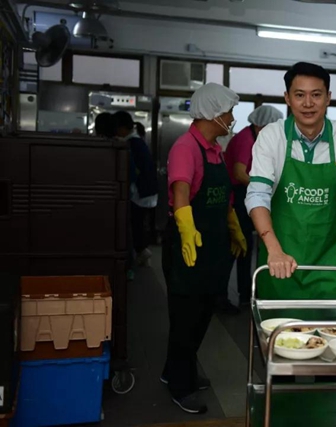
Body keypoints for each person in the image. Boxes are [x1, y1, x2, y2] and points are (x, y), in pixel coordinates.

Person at [246, 60, 336, 330]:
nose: (308, 103)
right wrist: (274, 250)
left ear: (328, 98)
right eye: (299, 95)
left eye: (316, 95)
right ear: (287, 98)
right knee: (281, 350)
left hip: (327, 266)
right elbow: (257, 195)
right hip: (280, 262)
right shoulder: (272, 137)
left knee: (330, 347)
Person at [160, 83, 247, 414]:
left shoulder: (215, 150)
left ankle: (174, 370)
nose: (232, 117)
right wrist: (186, 232)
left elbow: (222, 197)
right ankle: (182, 387)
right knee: (185, 317)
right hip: (188, 244)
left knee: (204, 311)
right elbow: (181, 193)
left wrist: (234, 228)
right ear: (214, 113)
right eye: (229, 112)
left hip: (212, 244)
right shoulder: (186, 148)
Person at [224, 105, 284, 306]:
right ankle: (238, 297)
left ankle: (246, 294)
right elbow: (240, 173)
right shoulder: (245, 140)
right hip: (237, 198)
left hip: (246, 196)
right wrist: (266, 187)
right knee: (241, 250)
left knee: (246, 249)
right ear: (260, 125)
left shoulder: (256, 139)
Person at [114, 111, 159, 268]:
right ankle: (141, 251)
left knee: (136, 224)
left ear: (122, 128)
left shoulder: (131, 144)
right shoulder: (137, 142)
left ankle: (141, 252)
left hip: (141, 193)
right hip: (147, 192)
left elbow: (133, 171)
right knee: (139, 224)